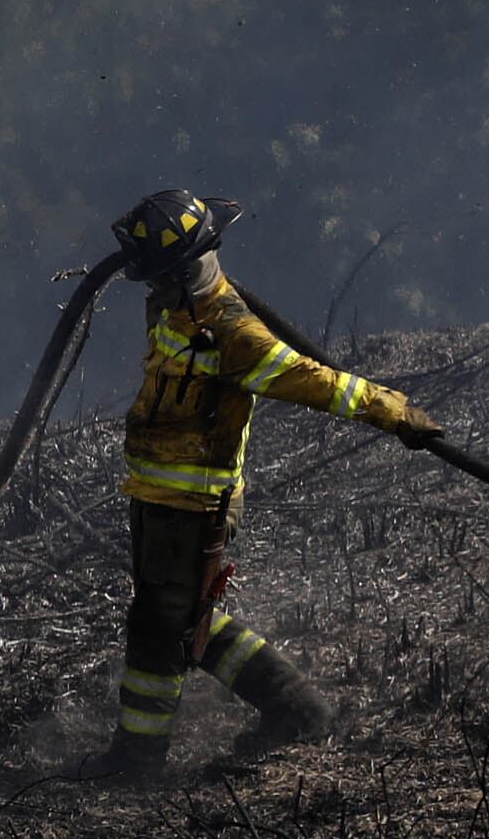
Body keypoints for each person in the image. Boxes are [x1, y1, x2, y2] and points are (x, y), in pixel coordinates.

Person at [82, 187, 442, 782]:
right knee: (184, 619)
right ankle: (299, 707)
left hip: (194, 505)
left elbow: (314, 381)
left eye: (156, 277)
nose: (147, 289)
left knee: (157, 629)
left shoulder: (234, 335)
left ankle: (137, 763)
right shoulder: (175, 311)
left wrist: (391, 410)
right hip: (155, 498)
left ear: (180, 271)